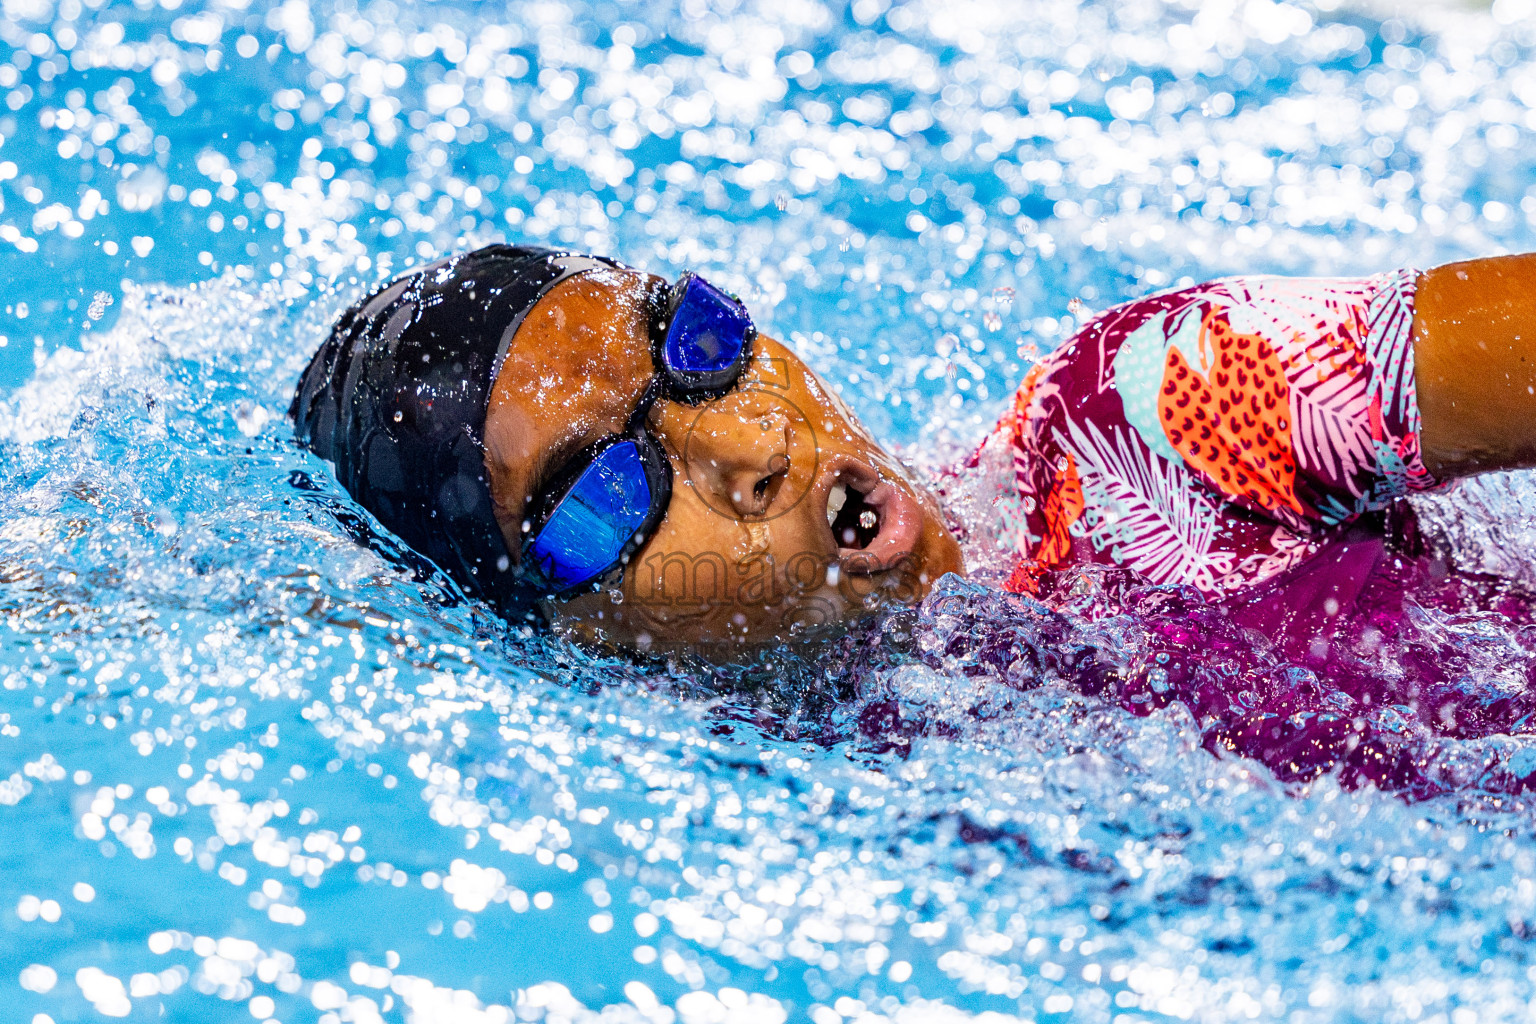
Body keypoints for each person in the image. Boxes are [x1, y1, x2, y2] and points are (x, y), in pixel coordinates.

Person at [290, 244, 1536, 660]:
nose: (748, 442)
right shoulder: (807, 764)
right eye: (607, 490)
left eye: (693, 341)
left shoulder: (1146, 419)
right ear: (566, 633)